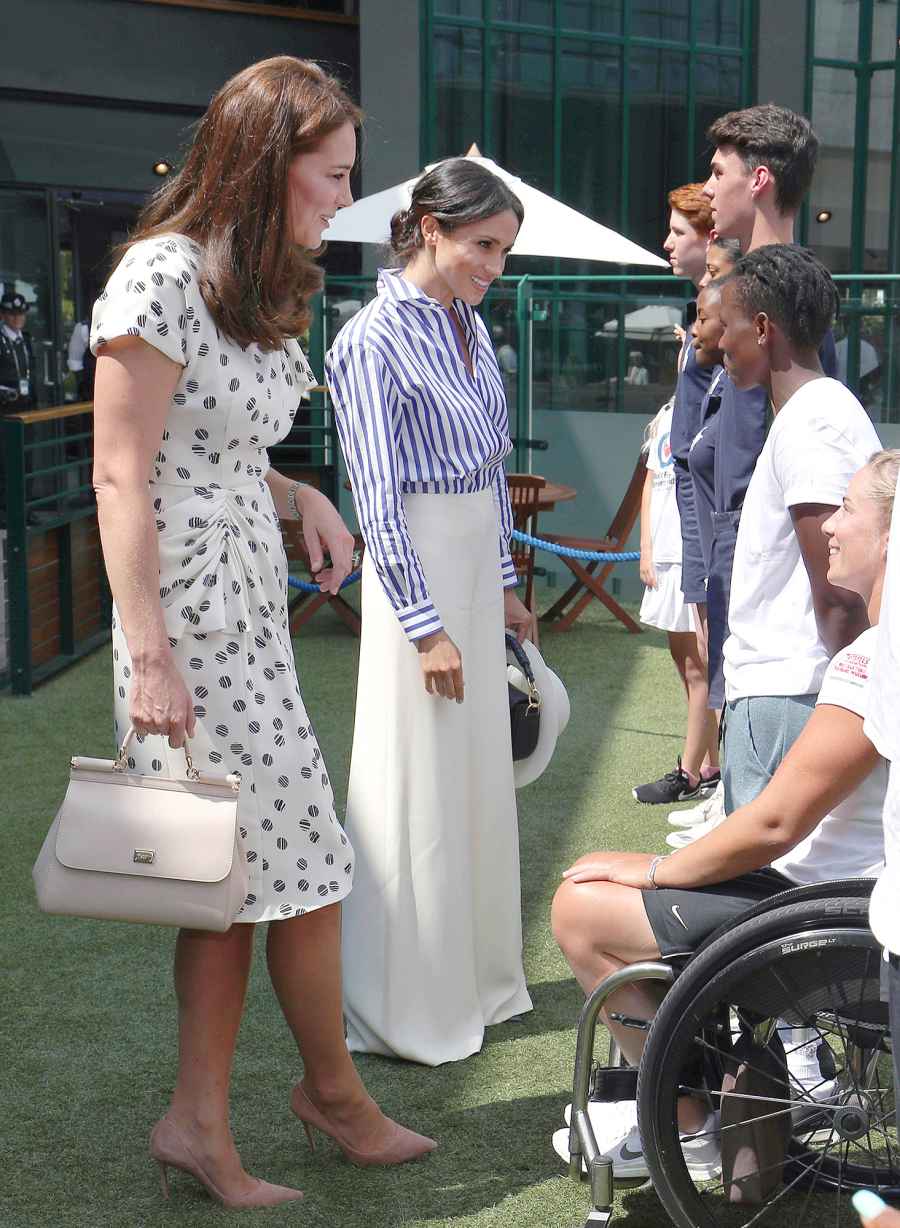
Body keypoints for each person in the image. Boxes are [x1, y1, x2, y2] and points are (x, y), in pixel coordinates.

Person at [90, 56, 435, 1211]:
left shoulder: (243, 282)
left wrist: (303, 495)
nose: (344, 197)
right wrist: (146, 656)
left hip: (248, 611)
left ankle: (226, 1113)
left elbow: (218, 443)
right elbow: (119, 471)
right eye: (331, 174)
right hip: (186, 621)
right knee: (257, 868)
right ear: (266, 161)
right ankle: (309, 1097)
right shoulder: (159, 276)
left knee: (247, 873)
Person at [551, 447, 898, 1179]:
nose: (830, 526)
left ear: (891, 534)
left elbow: (778, 823)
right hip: (838, 907)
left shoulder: (875, 662)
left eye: (849, 510)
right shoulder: (876, 652)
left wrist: (652, 868)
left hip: (823, 925)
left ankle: (688, 1128)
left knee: (578, 909)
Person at [326, 158, 535, 1066]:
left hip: (470, 570)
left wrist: (500, 584)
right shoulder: (367, 340)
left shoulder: (469, 324)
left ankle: (479, 980)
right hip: (416, 577)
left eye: (505, 250)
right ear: (429, 225)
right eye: (485, 245)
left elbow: (488, 470)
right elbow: (376, 501)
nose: (495, 265)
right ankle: (402, 1004)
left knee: (478, 775)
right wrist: (426, 626)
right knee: (414, 782)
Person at [718, 246, 879, 812]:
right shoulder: (815, 414)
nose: (719, 344)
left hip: (794, 698)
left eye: (728, 325)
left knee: (765, 895)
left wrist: (855, 699)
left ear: (762, 328)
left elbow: (838, 591)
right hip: (792, 696)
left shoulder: (814, 422)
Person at [700, 104, 838, 722]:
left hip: (771, 581)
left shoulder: (791, 300)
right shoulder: (744, 283)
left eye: (717, 171)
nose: (706, 188)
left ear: (757, 180)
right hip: (736, 551)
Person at [633, 184, 719, 806]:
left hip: (705, 520)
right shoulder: (697, 314)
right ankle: (707, 769)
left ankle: (694, 773)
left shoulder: (723, 310)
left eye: (677, 232)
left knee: (707, 661)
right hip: (678, 517)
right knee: (687, 657)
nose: (666, 242)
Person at [0, 288, 36, 411]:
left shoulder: (27, 339)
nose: (17, 318)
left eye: (21, 313)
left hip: (27, 404)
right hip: (5, 406)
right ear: (2, 315)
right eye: (12, 314)